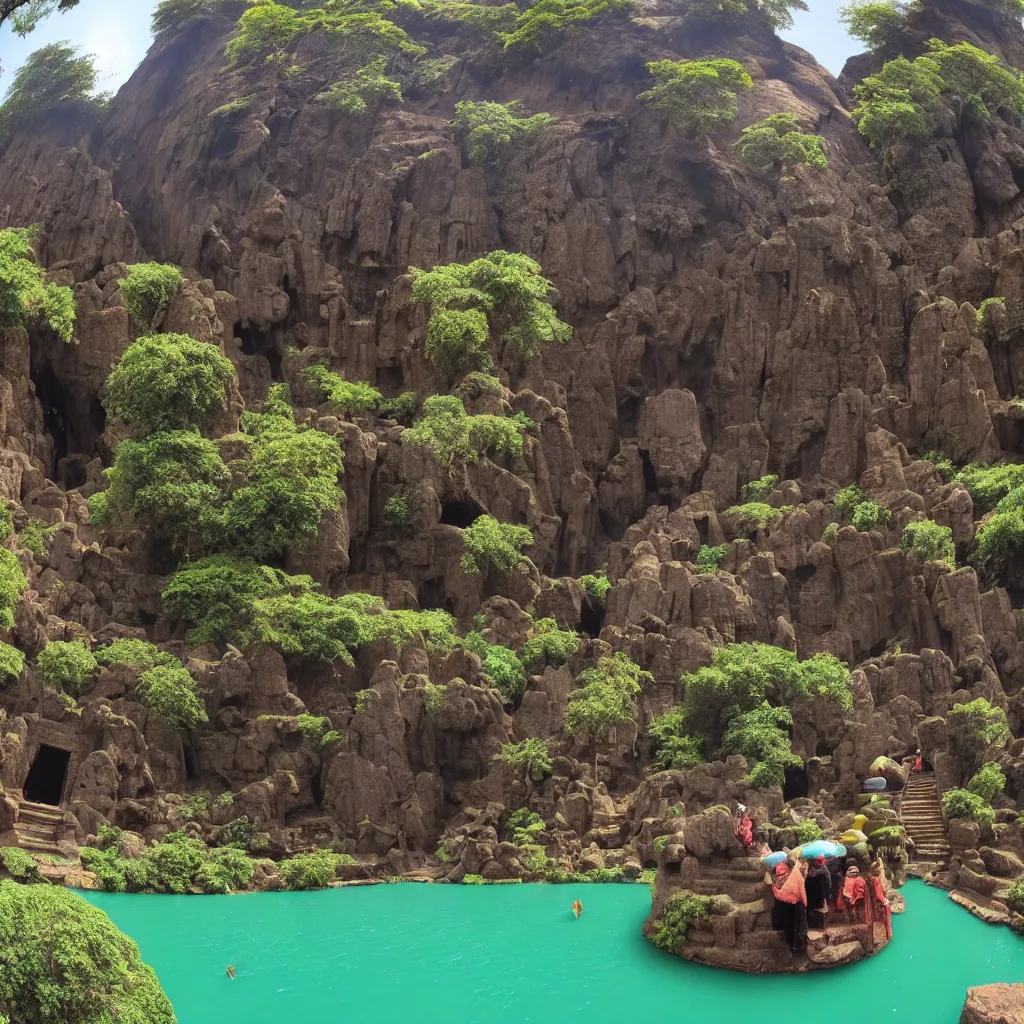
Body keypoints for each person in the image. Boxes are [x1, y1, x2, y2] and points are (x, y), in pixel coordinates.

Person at [770, 861, 808, 953]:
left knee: (783, 927)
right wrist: (805, 903)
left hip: (780, 906)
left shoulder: (774, 879)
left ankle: (784, 946)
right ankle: (794, 947)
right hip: (792, 906)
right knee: (793, 927)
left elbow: (775, 892)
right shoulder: (795, 876)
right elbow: (801, 892)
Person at [805, 855, 832, 931]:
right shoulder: (825, 870)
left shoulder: (809, 869)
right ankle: (822, 925)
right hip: (821, 895)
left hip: (811, 896)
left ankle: (813, 925)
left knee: (812, 910)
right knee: (822, 910)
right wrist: (828, 893)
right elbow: (829, 883)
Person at [869, 860, 892, 943]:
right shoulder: (875, 880)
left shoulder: (873, 878)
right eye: (878, 868)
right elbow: (878, 893)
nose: (879, 869)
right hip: (877, 902)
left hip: (876, 901)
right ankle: (887, 933)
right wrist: (884, 901)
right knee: (887, 907)